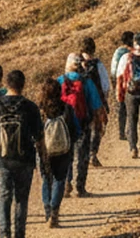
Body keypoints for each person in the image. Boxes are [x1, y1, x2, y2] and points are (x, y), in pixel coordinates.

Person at [0, 70, 44, 238]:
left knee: (4, 197)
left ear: (6, 84)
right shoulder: (30, 107)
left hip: (1, 160)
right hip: (25, 160)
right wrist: (43, 159)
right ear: (23, 85)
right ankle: (19, 234)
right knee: (21, 199)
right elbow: (39, 136)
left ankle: (4, 234)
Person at [57, 53, 104, 196]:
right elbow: (96, 105)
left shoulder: (59, 81)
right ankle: (80, 188)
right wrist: (98, 122)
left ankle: (66, 183)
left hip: (64, 125)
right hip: (83, 123)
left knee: (66, 155)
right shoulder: (86, 81)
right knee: (82, 156)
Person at [37, 81, 80, 229]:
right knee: (59, 180)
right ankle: (54, 213)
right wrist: (71, 143)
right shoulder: (66, 108)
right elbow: (76, 130)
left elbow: (34, 132)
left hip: (44, 151)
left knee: (46, 179)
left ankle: (47, 212)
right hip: (63, 151)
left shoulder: (40, 110)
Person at [77, 38, 110, 169]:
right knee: (97, 128)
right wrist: (104, 101)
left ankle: (81, 155)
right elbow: (105, 85)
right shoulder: (98, 64)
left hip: (79, 103)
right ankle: (92, 154)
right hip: (95, 102)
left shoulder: (74, 63)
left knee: (82, 129)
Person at [108, 32, 134, 144]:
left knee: (121, 106)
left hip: (119, 81)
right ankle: (130, 130)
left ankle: (121, 131)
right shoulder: (133, 52)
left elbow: (113, 70)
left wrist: (114, 83)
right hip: (130, 83)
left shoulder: (118, 52)